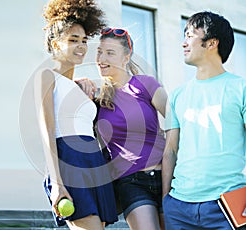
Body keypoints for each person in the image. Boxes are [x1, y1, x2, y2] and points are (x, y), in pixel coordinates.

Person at [36, 0, 118, 229]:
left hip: (93, 159)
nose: (81, 46)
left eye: (84, 40)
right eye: (73, 40)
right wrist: (56, 183)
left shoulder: (82, 87)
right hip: (68, 159)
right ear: (55, 43)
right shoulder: (46, 76)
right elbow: (47, 130)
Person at [162, 11, 246, 230]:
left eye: (190, 35)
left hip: (228, 207)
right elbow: (170, 150)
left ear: (212, 43)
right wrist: (166, 201)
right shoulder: (177, 95)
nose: (183, 43)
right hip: (178, 208)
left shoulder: (241, 88)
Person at [95, 27, 168, 230]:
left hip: (167, 176)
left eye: (110, 52)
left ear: (126, 57)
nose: (101, 58)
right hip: (130, 182)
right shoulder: (97, 97)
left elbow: (176, 124)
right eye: (99, 51)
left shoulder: (146, 85)